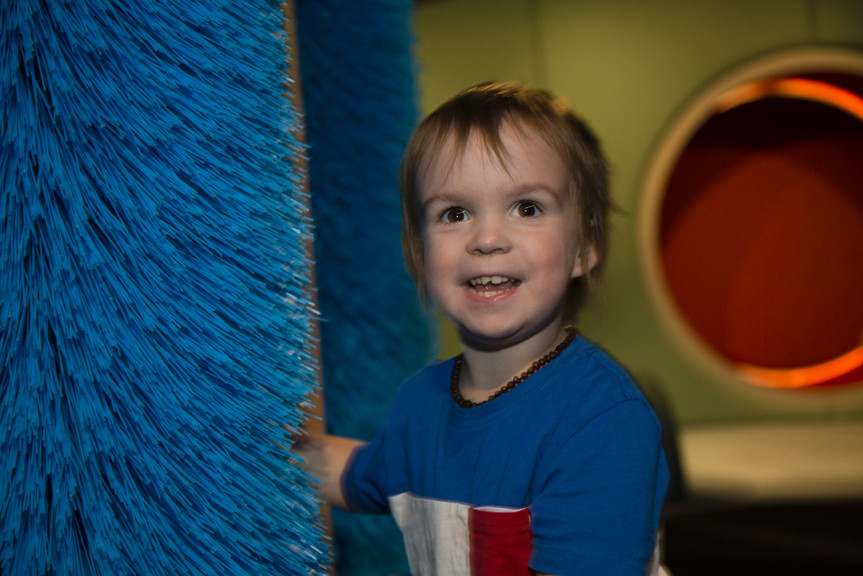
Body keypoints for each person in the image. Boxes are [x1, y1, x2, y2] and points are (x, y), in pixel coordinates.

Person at [296, 81, 669, 576]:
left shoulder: (601, 421)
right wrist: (251, 444)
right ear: (420, 256)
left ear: (585, 248)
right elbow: (355, 473)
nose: (487, 238)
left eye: (527, 208)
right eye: (455, 213)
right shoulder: (419, 403)